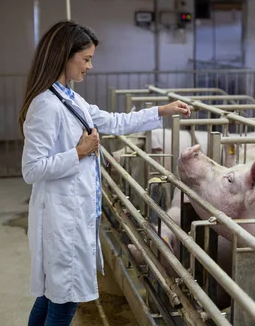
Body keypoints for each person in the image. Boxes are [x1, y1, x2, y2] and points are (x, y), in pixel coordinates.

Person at [18, 20, 191, 326]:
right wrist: (79, 153)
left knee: (50, 296)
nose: (90, 66)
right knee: (64, 301)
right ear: (64, 56)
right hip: (61, 220)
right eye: (85, 59)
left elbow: (113, 121)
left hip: (74, 216)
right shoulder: (46, 105)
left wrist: (161, 112)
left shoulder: (69, 98)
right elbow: (32, 169)